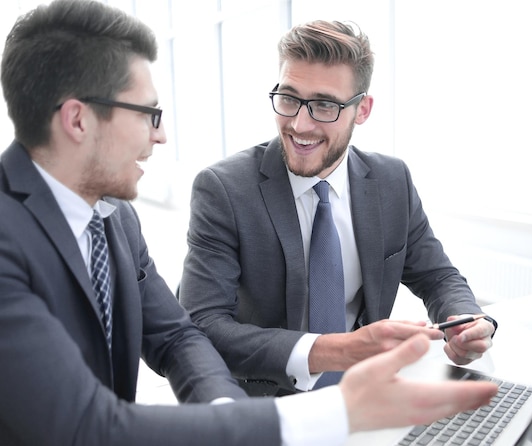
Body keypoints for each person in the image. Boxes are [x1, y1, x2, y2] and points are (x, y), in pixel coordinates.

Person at [0, 1, 498, 445]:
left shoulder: (113, 216)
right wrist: (327, 410)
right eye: (148, 114)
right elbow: (91, 424)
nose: (162, 135)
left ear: (360, 110)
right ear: (78, 120)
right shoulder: (10, 238)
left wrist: (227, 418)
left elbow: (176, 336)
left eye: (324, 106)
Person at [179, 19, 498, 397]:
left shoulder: (391, 181)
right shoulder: (225, 189)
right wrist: (334, 352)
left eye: (324, 105)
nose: (299, 123)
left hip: (364, 393)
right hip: (264, 403)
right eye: (288, 98)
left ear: (362, 110)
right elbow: (202, 324)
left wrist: (464, 320)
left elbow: (437, 276)